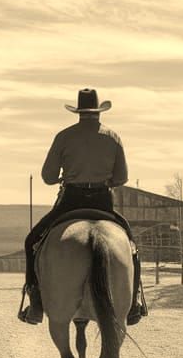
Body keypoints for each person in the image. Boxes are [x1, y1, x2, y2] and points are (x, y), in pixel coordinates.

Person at [19, 88, 146, 326]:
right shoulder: (113, 137)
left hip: (71, 200)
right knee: (131, 245)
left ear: (78, 112)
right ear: (98, 112)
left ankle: (35, 303)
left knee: (31, 241)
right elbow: (122, 177)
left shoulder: (64, 136)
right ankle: (134, 304)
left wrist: (64, 177)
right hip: (102, 201)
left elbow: (47, 176)